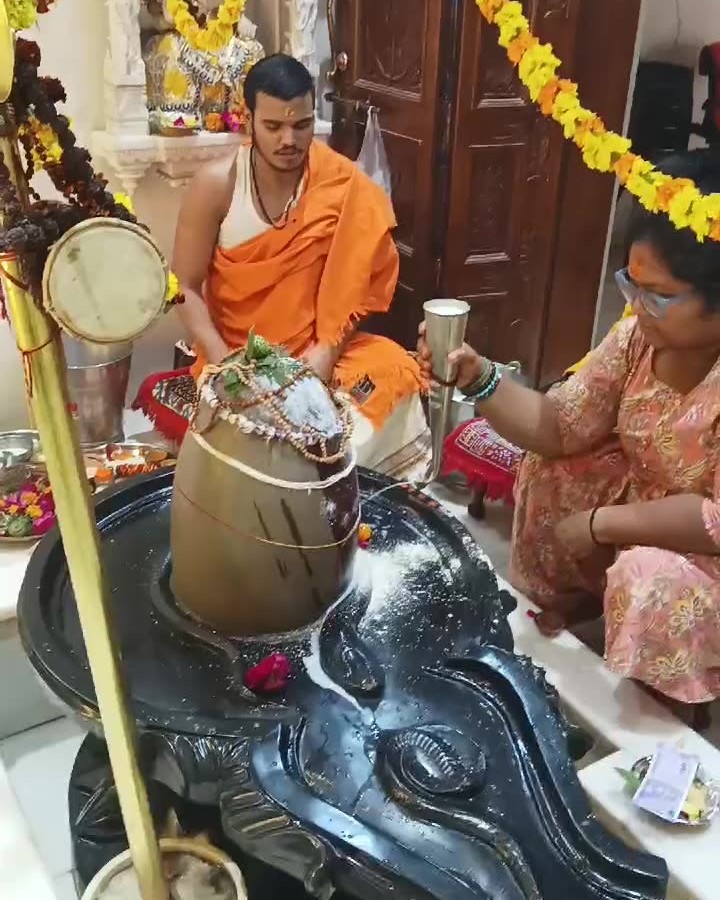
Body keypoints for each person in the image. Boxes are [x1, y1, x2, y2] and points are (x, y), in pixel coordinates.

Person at [418, 151, 720, 707]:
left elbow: (714, 518)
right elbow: (561, 423)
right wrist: (478, 376)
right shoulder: (637, 338)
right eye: (632, 284)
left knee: (650, 579)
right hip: (648, 511)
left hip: (702, 551)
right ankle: (576, 613)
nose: (637, 307)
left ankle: (667, 706)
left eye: (659, 295)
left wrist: (602, 524)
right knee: (553, 465)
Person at [140, 53, 427, 476]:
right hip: (238, 355)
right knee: (267, 444)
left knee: (394, 368)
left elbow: (362, 284)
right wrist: (226, 366)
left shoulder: (340, 182)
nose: (288, 139)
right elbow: (184, 287)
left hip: (314, 351)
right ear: (248, 118)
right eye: (273, 126)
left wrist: (327, 351)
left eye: (302, 125)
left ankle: (351, 500)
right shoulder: (216, 186)